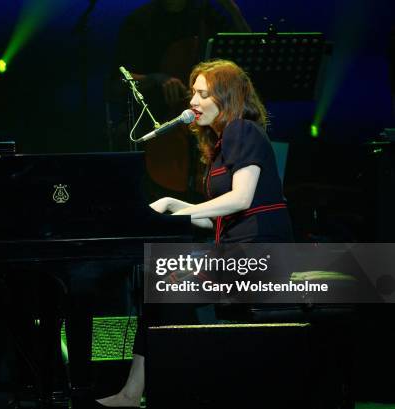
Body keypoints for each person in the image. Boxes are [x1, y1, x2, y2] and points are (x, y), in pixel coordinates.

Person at [95, 59, 294, 408]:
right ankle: (136, 393)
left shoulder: (241, 130)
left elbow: (241, 199)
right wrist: (172, 204)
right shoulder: (220, 145)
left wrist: (181, 210)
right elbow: (218, 220)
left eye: (203, 94)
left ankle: (176, 390)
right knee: (162, 280)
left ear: (226, 98)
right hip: (237, 250)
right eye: (193, 94)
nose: (193, 102)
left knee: (169, 281)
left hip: (261, 255)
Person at [108, 0, 251, 202]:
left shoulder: (204, 15)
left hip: (210, 122)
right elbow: (117, 82)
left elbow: (245, 50)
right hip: (159, 119)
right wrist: (157, 79)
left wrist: (232, 10)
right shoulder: (140, 21)